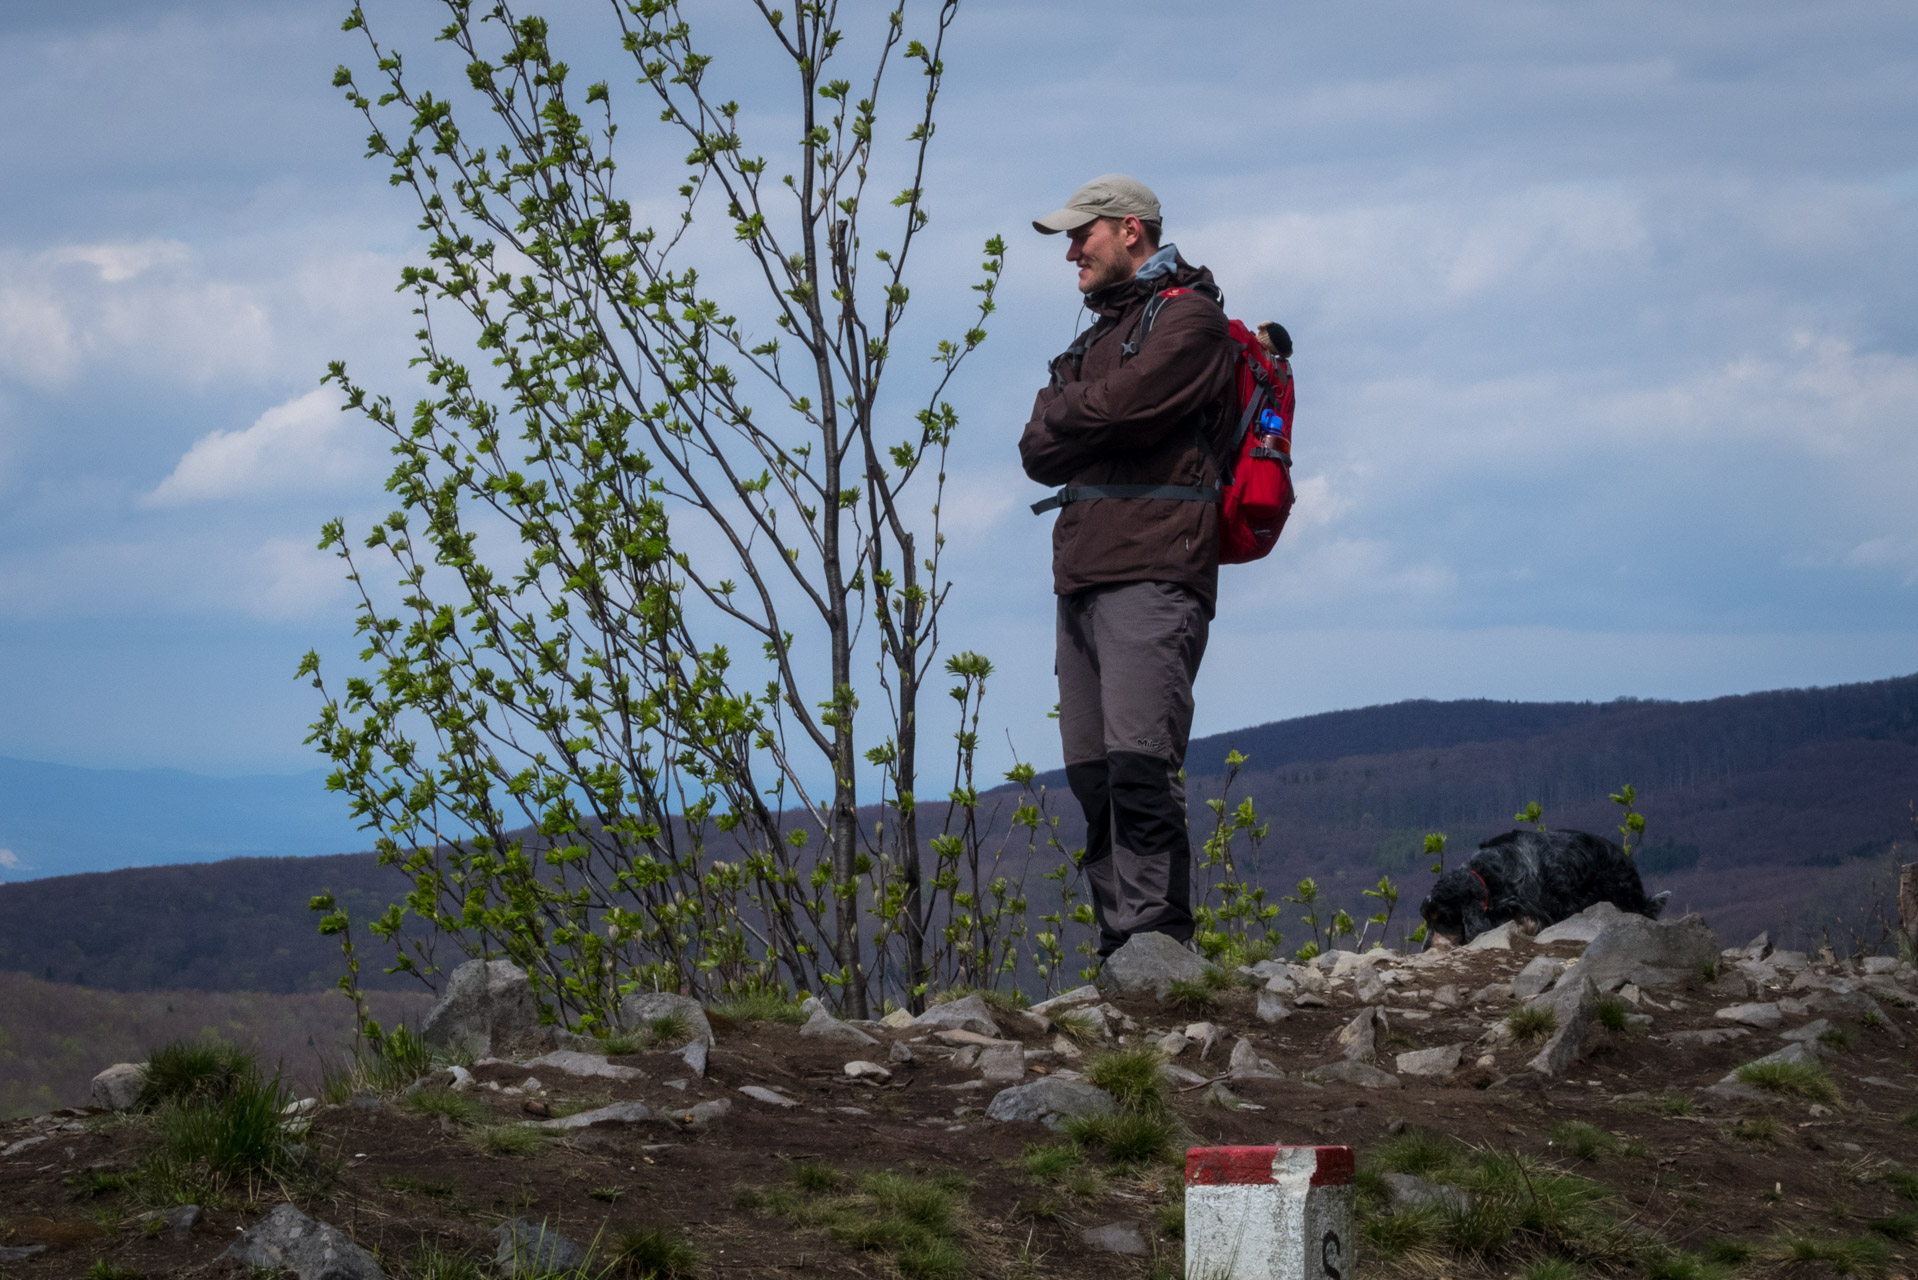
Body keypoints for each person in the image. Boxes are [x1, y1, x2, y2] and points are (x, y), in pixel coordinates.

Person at [1019, 174, 1238, 959]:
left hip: (1155, 566)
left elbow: (1119, 408)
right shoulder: (1092, 339)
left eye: (1084, 236)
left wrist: (1078, 411)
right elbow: (1035, 449)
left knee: (1142, 765)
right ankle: (1121, 948)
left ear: (1131, 231)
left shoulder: (1193, 325)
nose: (1072, 252)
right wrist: (1086, 411)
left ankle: (1158, 945)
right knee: (1093, 775)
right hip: (1081, 573)